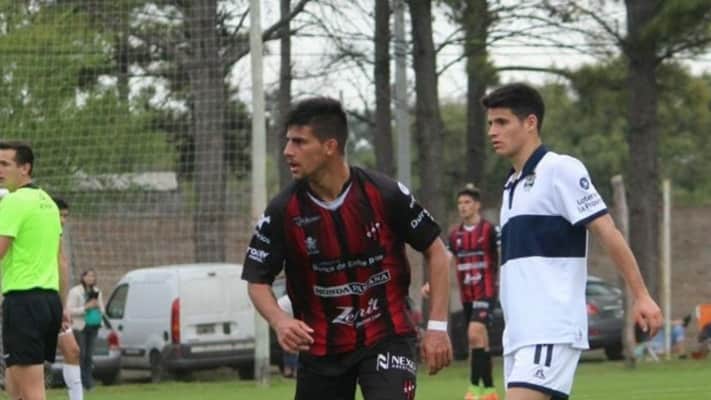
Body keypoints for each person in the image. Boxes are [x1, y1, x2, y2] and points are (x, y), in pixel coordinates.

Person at [241, 97, 453, 400]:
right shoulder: (282, 211)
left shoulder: (383, 194)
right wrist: (280, 320)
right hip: (321, 348)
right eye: (288, 141)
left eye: (299, 142)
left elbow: (437, 252)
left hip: (387, 335)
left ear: (330, 146)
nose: (288, 151)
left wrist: (437, 326)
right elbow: (257, 280)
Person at [481, 83, 663, 400]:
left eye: (502, 122)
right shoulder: (511, 185)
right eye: (490, 123)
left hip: (550, 327)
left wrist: (641, 295)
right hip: (519, 334)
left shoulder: (559, 169)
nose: (492, 132)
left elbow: (607, 231)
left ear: (530, 122)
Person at [0, 141, 66, 400]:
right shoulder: (48, 202)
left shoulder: (14, 202)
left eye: (5, 164)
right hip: (49, 302)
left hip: (24, 301)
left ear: (25, 168)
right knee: (15, 385)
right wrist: (62, 305)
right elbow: (60, 260)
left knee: (32, 392)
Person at [422, 184, 499, 400]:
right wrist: (431, 284)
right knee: (479, 342)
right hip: (467, 296)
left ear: (477, 205)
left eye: (467, 202)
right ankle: (490, 391)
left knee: (474, 334)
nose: (463, 207)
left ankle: (473, 389)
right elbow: (445, 259)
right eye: (460, 203)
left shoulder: (490, 230)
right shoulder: (455, 235)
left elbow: (504, 253)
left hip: (486, 292)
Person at [53, 197, 84, 399]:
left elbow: (62, 264)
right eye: (59, 215)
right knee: (26, 364)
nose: (63, 220)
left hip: (52, 302)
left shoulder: (58, 237)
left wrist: (63, 305)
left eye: (65, 216)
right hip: (28, 300)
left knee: (72, 350)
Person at [66, 269, 104, 390]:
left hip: (93, 325)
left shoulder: (97, 291)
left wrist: (98, 307)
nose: (91, 278)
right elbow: (69, 310)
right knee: (81, 355)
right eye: (88, 276)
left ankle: (89, 383)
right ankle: (79, 382)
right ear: (83, 277)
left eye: (93, 276)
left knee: (89, 355)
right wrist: (85, 308)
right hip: (80, 326)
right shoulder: (75, 291)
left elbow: (102, 309)